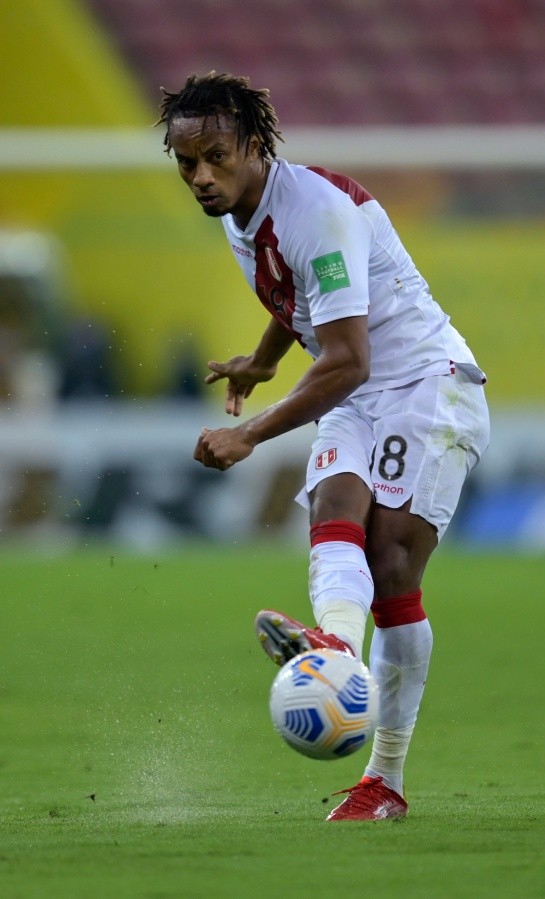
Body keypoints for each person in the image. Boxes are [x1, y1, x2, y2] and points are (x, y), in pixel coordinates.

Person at [157, 71, 490, 821]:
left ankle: (384, 779)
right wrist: (263, 359)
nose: (201, 176)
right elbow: (299, 295)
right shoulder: (241, 212)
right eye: (187, 163)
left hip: (424, 385)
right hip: (358, 391)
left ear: (254, 146)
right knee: (333, 506)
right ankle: (336, 649)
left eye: (215, 157)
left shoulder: (318, 213)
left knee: (391, 564)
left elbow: (348, 359)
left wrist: (248, 432)